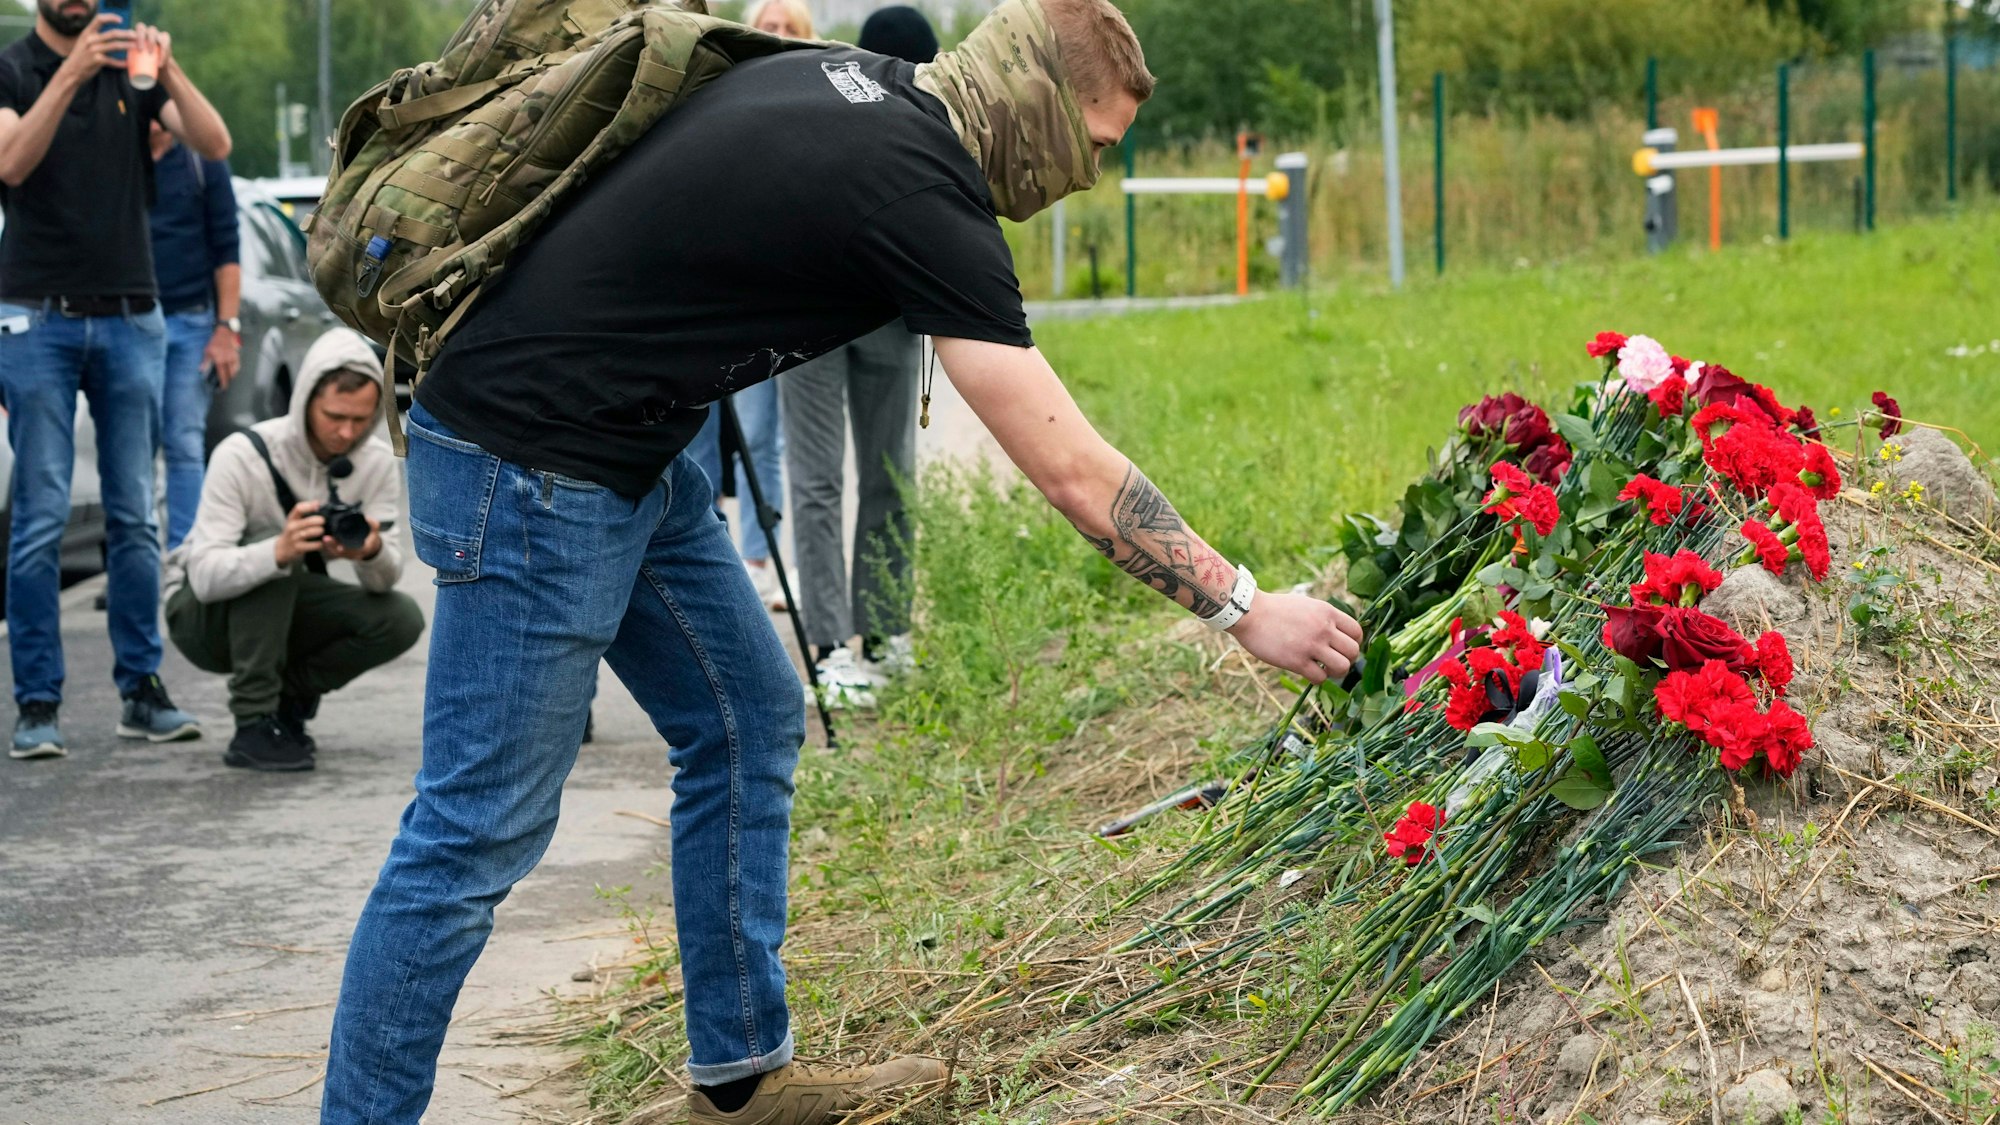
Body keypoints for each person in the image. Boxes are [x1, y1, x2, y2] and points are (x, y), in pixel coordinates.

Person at [321, 4, 1364, 1124]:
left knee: (745, 717)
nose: (1086, 180)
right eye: (1092, 147)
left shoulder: (863, 88)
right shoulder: (920, 190)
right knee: (475, 832)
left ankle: (740, 1082)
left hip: (627, 449)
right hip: (526, 465)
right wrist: (1246, 608)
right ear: (1038, 111)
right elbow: (1069, 471)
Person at [0, 0, 231, 760]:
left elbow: (215, 141)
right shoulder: (13, 67)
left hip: (134, 316)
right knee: (39, 515)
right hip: (37, 316)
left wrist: (170, 70)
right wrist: (68, 74)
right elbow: (10, 162)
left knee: (135, 516)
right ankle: (37, 703)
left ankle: (142, 688)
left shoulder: (132, 68)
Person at [163, 330, 422, 773]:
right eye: (334, 416)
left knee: (400, 618)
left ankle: (289, 701)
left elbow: (384, 580)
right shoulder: (243, 455)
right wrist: (279, 550)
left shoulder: (375, 462)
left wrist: (370, 551)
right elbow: (203, 577)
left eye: (361, 420)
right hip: (200, 619)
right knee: (273, 561)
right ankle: (253, 722)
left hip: (283, 609)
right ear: (304, 401)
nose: (346, 433)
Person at [780, 5, 942, 707]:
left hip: (891, 315)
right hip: (812, 314)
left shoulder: (934, 122)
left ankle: (883, 631)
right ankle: (827, 646)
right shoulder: (817, 110)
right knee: (818, 481)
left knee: (891, 473)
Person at [682, 0, 819, 615]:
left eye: (787, 28)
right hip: (702, 300)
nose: (775, 34)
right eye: (768, 25)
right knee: (698, 439)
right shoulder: (715, 94)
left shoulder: (805, 108)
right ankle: (706, 561)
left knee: (764, 435)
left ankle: (760, 557)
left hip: (761, 307)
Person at [148, 117, 241, 550]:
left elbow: (228, 248)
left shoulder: (200, 161)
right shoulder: (115, 158)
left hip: (190, 320)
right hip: (127, 322)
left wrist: (226, 328)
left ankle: (184, 557)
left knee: (183, 443)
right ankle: (137, 560)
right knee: (129, 450)